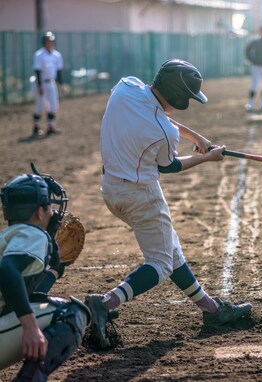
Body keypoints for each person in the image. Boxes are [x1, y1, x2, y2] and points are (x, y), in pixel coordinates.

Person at [85, 59, 252, 350]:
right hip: (141, 196)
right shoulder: (164, 132)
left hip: (111, 188)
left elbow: (152, 112)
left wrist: (196, 136)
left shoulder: (126, 87)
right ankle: (105, 302)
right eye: (186, 96)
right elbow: (171, 166)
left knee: (169, 250)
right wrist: (207, 157)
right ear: (176, 94)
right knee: (161, 263)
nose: (186, 101)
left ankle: (212, 310)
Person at [0, 168, 90, 381]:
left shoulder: (10, 237)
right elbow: (7, 270)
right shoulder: (33, 234)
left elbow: (23, 295)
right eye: (49, 206)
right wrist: (30, 327)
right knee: (70, 313)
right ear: (40, 212)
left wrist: (53, 272)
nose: (53, 213)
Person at [31, 31, 66, 137]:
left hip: (51, 82)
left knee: (54, 105)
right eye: (48, 41)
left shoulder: (57, 55)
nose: (50, 43)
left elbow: (59, 71)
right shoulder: (39, 54)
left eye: (51, 41)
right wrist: (39, 85)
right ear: (44, 42)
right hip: (41, 82)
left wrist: (61, 85)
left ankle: (51, 127)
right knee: (40, 106)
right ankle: (36, 127)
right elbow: (37, 70)